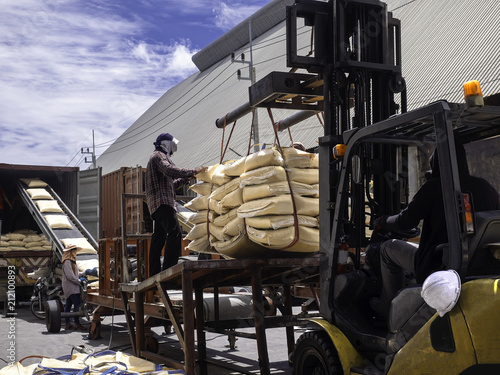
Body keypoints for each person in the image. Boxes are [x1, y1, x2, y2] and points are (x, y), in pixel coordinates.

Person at [371, 143, 499, 318]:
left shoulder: (435, 187)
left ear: (437, 163)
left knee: (387, 248)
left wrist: (383, 221)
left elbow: (404, 223)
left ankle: (387, 309)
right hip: (478, 262)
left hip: (438, 262)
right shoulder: (485, 187)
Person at [145, 133, 207, 276]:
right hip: (163, 203)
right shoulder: (158, 156)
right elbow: (169, 170)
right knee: (175, 233)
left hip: (158, 204)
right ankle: (169, 271)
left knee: (158, 239)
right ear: (167, 144)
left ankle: (154, 273)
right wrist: (194, 170)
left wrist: (187, 179)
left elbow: (170, 186)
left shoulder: (156, 157)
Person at [61, 244, 86, 330]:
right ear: (70, 252)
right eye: (74, 251)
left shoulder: (72, 261)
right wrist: (78, 281)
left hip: (73, 285)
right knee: (76, 304)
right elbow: (70, 276)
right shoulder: (67, 262)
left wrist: (83, 274)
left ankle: (67, 323)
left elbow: (75, 273)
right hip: (70, 286)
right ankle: (77, 323)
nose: (75, 253)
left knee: (68, 304)